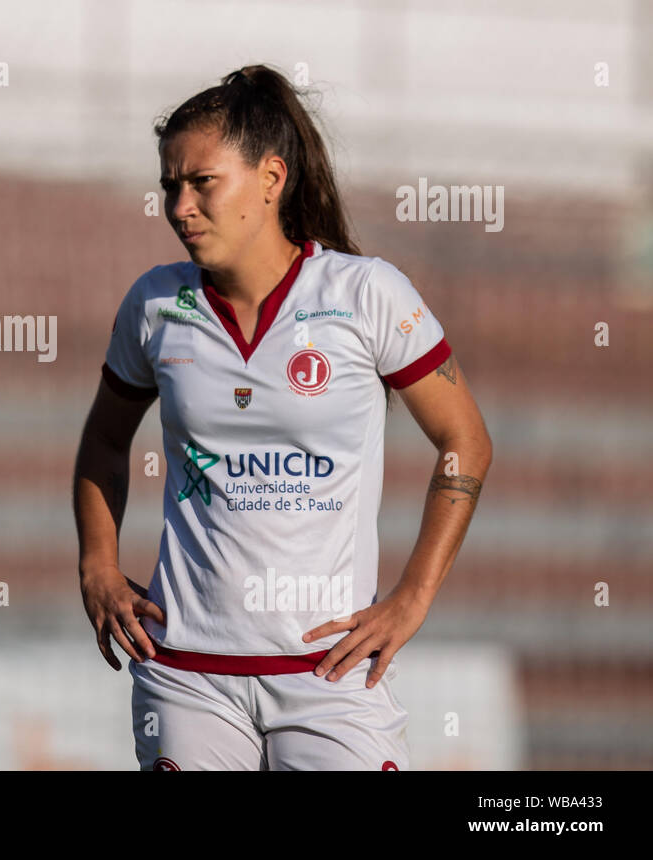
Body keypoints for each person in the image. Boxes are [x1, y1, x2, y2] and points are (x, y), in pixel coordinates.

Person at [72, 64, 493, 770]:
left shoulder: (366, 295)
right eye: (169, 186)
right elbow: (103, 445)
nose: (180, 206)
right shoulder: (154, 306)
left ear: (271, 179)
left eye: (202, 182)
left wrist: (413, 597)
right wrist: (97, 567)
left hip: (331, 673)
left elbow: (466, 443)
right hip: (187, 675)